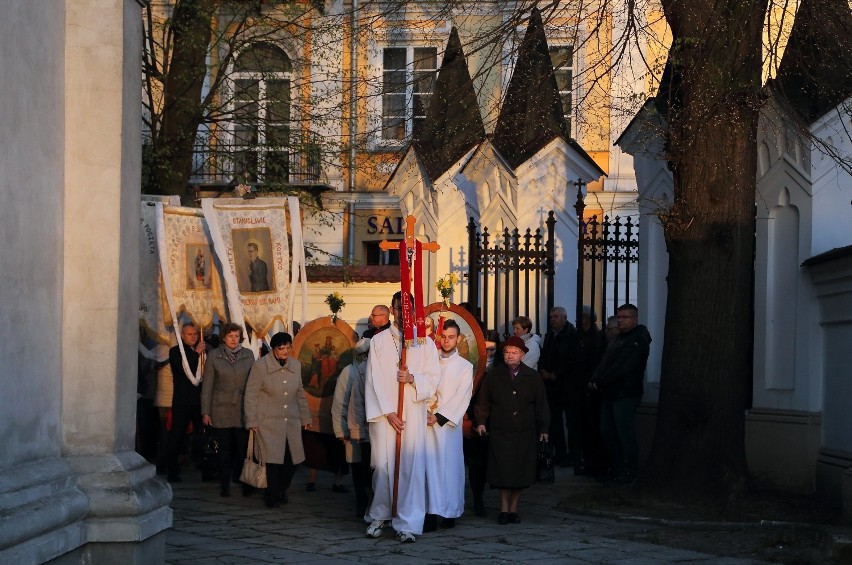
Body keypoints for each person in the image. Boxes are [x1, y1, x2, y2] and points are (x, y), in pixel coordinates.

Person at [364, 291, 440, 543]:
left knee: (410, 468)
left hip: (413, 413)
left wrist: (412, 379)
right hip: (387, 414)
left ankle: (407, 521)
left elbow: (433, 376)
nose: (402, 313)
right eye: (398, 308)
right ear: (392, 309)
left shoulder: (425, 343)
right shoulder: (379, 341)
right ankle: (379, 515)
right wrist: (388, 411)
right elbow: (373, 378)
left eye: (407, 309)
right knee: (383, 467)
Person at [474, 336, 549, 525]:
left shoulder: (533, 377)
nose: (510, 355)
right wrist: (481, 421)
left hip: (525, 432)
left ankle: (514, 509)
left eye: (514, 352)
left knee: (520, 472)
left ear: (522, 355)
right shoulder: (493, 375)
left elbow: (541, 405)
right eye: (507, 352)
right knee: (503, 471)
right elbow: (483, 401)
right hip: (501, 431)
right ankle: (503, 509)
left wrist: (544, 427)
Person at [244, 332, 311, 507]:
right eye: (281, 348)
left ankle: (281, 489)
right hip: (268, 422)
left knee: (292, 461)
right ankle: (272, 495)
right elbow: (251, 395)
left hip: (292, 421)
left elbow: (300, 394)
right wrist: (251, 420)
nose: (285, 351)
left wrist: (305, 417)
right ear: (273, 349)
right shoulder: (260, 366)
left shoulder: (295, 365)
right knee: (273, 461)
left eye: (288, 347)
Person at [589, 304, 651, 484]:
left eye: (625, 317)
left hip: (625, 393)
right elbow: (605, 362)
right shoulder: (619, 339)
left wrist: (600, 381)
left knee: (624, 433)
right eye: (619, 317)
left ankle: (628, 472)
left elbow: (624, 367)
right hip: (611, 393)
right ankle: (617, 470)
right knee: (609, 432)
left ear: (635, 319)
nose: (620, 320)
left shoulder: (637, 339)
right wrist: (596, 378)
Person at [424, 320, 473, 531]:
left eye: (451, 337)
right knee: (429, 469)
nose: (446, 341)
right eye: (443, 336)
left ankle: (450, 512)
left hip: (447, 426)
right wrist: (425, 410)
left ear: (458, 339)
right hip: (426, 422)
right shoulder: (429, 362)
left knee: (449, 469)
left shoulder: (464, 367)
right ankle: (430, 513)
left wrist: (440, 416)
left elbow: (462, 396)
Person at [201, 322, 255, 497]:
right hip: (221, 408)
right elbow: (207, 385)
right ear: (224, 337)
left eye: (236, 336)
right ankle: (225, 485)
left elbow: (254, 382)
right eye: (230, 336)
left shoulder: (248, 355)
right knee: (224, 452)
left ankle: (246, 483)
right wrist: (205, 412)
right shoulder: (214, 356)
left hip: (242, 409)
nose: (233, 339)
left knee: (243, 450)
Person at [332, 337, 373, 519]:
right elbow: (339, 403)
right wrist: (341, 431)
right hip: (353, 429)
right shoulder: (348, 373)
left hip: (372, 431)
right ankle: (361, 504)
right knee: (358, 470)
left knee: (371, 470)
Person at [464, 329, 501, 517]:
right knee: (475, 462)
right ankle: (477, 498)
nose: (489, 354)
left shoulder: (501, 368)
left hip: (495, 419)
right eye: (485, 350)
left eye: (492, 350)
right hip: (473, 417)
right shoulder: (471, 366)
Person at [538, 306, 580, 467]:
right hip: (551, 387)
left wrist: (556, 373)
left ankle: (574, 455)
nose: (553, 319)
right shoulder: (550, 335)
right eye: (551, 317)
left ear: (564, 317)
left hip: (567, 386)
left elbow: (572, 359)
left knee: (571, 423)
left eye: (556, 316)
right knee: (554, 422)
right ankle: (559, 453)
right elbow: (544, 354)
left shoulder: (571, 334)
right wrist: (542, 369)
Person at [166, 323, 205, 482]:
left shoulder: (202, 351)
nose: (194, 336)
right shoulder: (176, 351)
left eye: (195, 334)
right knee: (177, 436)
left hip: (199, 400)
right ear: (182, 335)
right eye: (190, 334)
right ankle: (172, 469)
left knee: (201, 434)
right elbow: (185, 368)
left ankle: (201, 464)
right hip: (182, 400)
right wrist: (196, 353)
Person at [576, 307, 607, 477]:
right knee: (583, 428)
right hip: (580, 387)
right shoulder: (579, 336)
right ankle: (586, 461)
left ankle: (594, 463)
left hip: (592, 388)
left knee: (592, 427)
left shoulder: (596, 338)